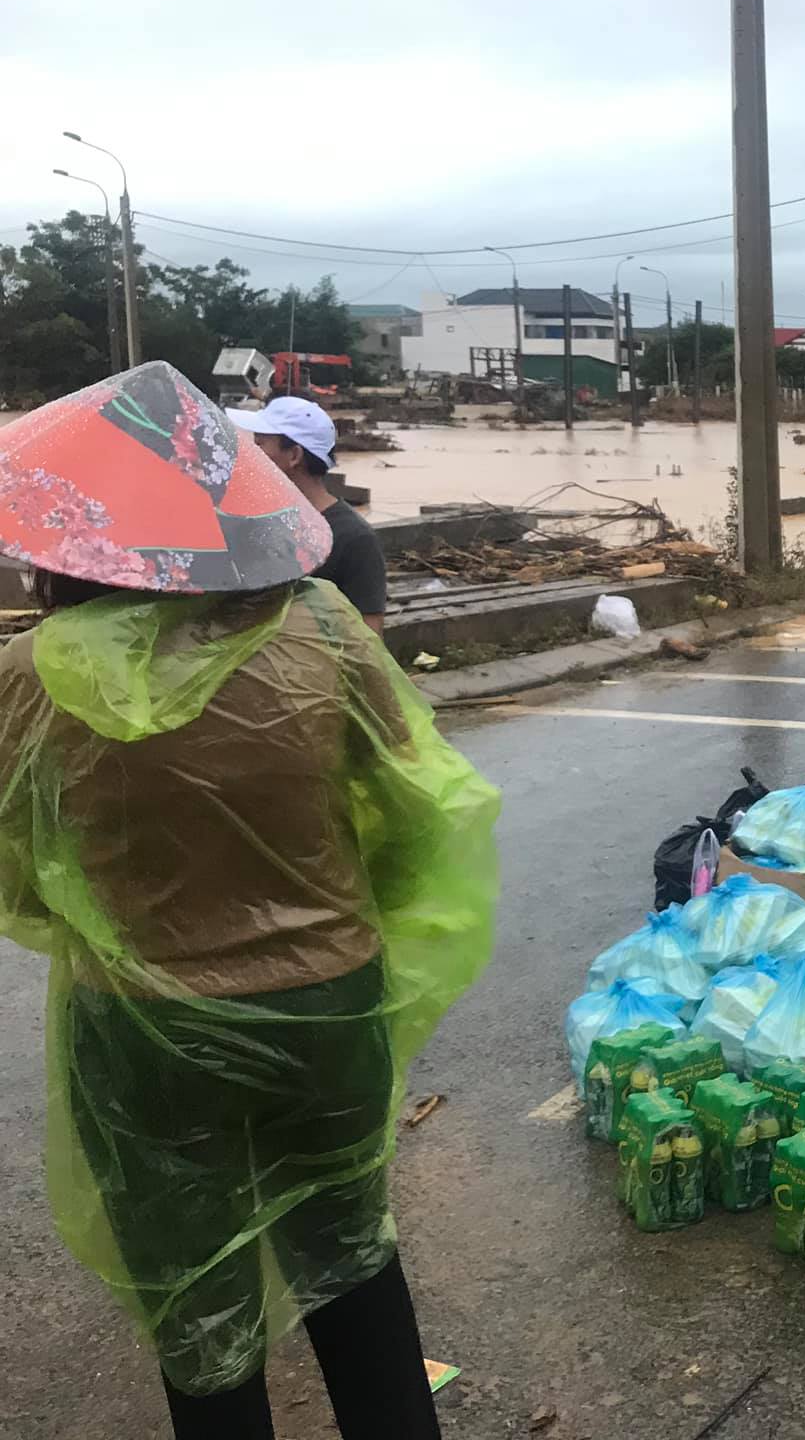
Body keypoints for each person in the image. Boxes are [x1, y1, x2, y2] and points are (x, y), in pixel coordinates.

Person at [0, 363, 500, 1440]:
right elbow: (421, 817)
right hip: (330, 1008)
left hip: (140, 1026)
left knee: (198, 1309)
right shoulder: (323, 634)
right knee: (355, 1262)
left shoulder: (32, 674)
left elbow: (14, 871)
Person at [233, 395, 389, 633]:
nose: (250, 454)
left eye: (260, 444)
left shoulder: (353, 539)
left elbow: (368, 636)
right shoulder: (259, 523)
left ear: (294, 455)